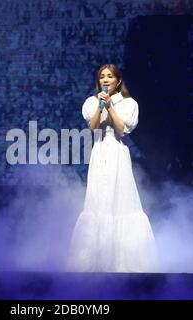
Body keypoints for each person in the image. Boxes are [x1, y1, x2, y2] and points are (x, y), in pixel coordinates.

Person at [68, 64, 158, 272]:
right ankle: (94, 262)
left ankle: (124, 264)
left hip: (117, 153)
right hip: (99, 152)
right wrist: (101, 106)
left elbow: (122, 129)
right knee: (98, 202)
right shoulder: (92, 102)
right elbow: (92, 127)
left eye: (110, 76)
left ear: (118, 81)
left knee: (121, 202)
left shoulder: (129, 103)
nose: (105, 79)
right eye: (102, 77)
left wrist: (110, 106)